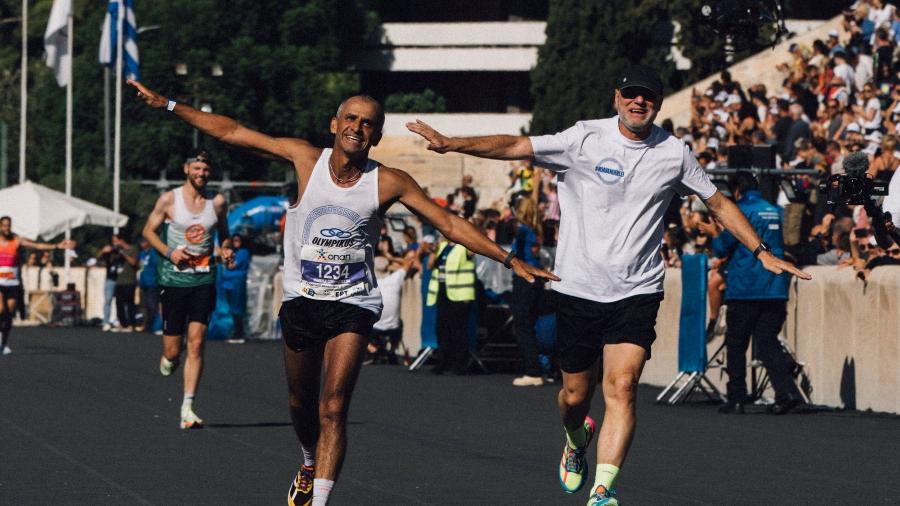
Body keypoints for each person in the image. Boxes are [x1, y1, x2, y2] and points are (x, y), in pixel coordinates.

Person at [127, 79, 557, 506]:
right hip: (302, 301)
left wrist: (508, 258)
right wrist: (168, 105)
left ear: (377, 135)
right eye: (350, 118)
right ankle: (308, 460)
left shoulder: (389, 182)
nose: (358, 127)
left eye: (369, 123)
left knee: (332, 407)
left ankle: (320, 501)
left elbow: (448, 225)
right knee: (301, 404)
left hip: (353, 303)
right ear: (334, 124)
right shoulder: (305, 160)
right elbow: (232, 132)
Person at [407, 64, 810, 505]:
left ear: (657, 103)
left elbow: (717, 203)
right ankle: (576, 437)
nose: (639, 102)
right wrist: (453, 143)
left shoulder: (674, 152)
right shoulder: (583, 137)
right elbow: (516, 145)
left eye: (648, 97)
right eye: (631, 94)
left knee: (622, 387)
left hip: (636, 291)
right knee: (575, 396)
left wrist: (761, 249)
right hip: (578, 290)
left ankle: (602, 491)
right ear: (616, 98)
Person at [141, 148, 233, 430]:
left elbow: (225, 236)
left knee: (196, 343)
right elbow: (147, 232)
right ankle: (169, 358)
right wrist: (169, 252)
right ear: (186, 169)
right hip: (173, 282)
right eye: (197, 169)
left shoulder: (217, 203)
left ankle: (187, 407)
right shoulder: (169, 200)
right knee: (174, 349)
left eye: (206, 170)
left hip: (203, 281)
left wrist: (226, 252)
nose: (201, 174)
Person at [709, 172, 806, 415]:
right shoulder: (775, 209)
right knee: (767, 343)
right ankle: (785, 394)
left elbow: (722, 246)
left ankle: (737, 397)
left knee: (736, 343)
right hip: (774, 287)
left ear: (737, 191)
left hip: (745, 287)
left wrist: (714, 232)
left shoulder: (739, 210)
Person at [0, 216, 74, 355]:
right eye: (4, 226)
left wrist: (57, 246)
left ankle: (3, 342)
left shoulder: (16, 240)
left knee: (8, 314)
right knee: (1, 309)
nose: (6, 228)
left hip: (12, 283)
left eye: (8, 225)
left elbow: (37, 246)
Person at [509, 197, 550, 386]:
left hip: (524, 277)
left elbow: (516, 255)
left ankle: (532, 370)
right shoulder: (536, 230)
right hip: (536, 278)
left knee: (523, 325)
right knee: (531, 325)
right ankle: (539, 367)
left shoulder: (523, 231)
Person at [426, 236, 476, 375]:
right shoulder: (442, 247)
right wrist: (433, 251)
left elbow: (473, 251)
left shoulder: (463, 247)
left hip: (460, 295)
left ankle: (459, 364)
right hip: (443, 293)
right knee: (442, 329)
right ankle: (443, 362)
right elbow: (429, 266)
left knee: (458, 330)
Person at [221, 233, 251, 339]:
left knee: (237, 307)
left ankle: (239, 333)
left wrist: (227, 258)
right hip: (228, 283)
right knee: (232, 308)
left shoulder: (243, 252)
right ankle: (234, 331)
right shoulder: (233, 252)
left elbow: (232, 265)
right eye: (234, 240)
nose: (235, 242)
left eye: (238, 240)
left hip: (237, 282)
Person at [112, 234, 139, 332]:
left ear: (121, 240)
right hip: (119, 281)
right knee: (119, 304)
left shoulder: (133, 249)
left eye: (116, 241)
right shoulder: (117, 251)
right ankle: (123, 324)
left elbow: (133, 262)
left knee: (129, 304)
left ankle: (132, 325)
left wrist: (123, 254)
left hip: (129, 281)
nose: (115, 243)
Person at [137, 237, 161, 334]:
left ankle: (154, 325)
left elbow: (157, 266)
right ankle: (146, 324)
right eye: (141, 241)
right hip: (143, 283)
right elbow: (141, 267)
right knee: (144, 305)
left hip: (152, 283)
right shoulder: (142, 253)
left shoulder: (153, 253)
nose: (142, 244)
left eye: (144, 241)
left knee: (152, 305)